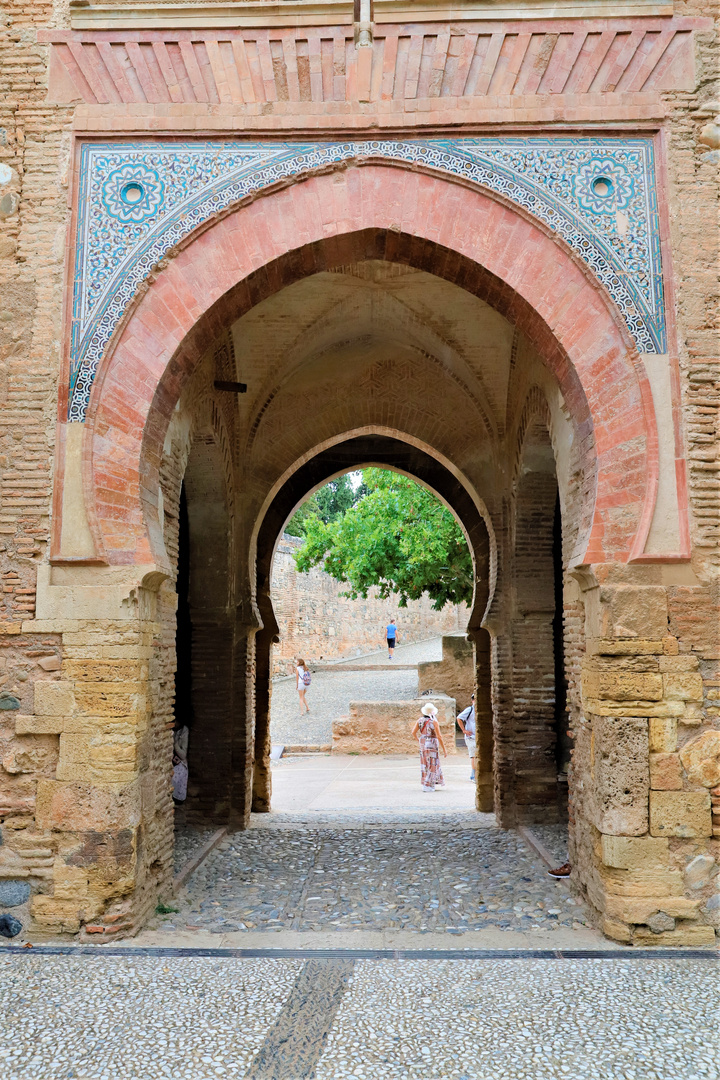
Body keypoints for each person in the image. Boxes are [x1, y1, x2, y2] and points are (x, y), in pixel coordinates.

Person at [411, 702, 447, 792]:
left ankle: (426, 782)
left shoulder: (420, 720)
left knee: (425, 764)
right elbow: (439, 736)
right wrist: (444, 749)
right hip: (432, 744)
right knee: (432, 764)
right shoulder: (434, 722)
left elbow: (413, 732)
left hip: (423, 744)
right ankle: (428, 785)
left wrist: (419, 740)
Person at [457, 693, 476, 782]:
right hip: (471, 737)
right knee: (474, 756)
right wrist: (464, 730)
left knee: (477, 756)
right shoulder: (470, 709)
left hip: (476, 736)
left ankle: (474, 774)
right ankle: (474, 776)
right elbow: (459, 718)